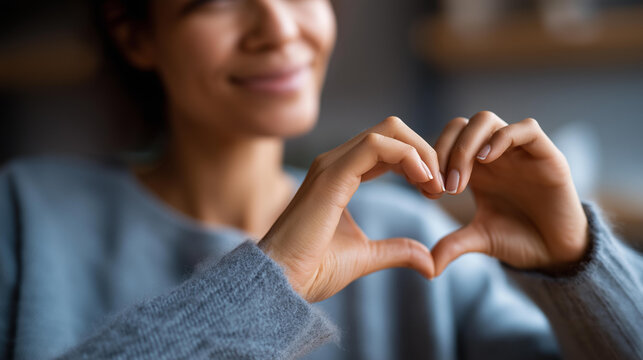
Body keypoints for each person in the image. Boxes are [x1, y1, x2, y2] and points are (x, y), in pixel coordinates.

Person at [0, 0, 641, 359]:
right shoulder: (23, 216)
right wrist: (267, 286)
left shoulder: (418, 244)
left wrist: (576, 262)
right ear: (136, 34)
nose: (279, 27)